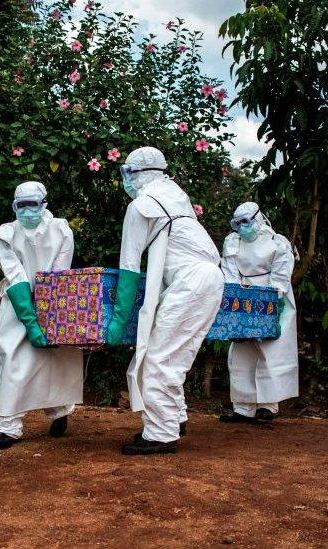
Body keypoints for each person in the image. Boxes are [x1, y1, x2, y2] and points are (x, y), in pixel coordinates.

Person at [106, 146, 224, 455]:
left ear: (136, 174)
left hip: (191, 283)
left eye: (125, 174)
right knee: (174, 355)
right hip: (210, 278)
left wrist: (117, 321)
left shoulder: (142, 205)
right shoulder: (175, 196)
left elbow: (129, 267)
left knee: (159, 358)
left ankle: (160, 435)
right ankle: (174, 419)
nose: (125, 181)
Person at [0, 181, 84, 450]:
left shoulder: (61, 230)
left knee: (54, 360)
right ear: (14, 206)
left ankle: (60, 411)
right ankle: (8, 427)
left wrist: (48, 314)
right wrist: (31, 321)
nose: (27, 211)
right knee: (13, 359)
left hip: (53, 299)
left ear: (44, 204)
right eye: (22, 206)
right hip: (15, 304)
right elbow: (16, 276)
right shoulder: (6, 234)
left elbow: (58, 273)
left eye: (33, 205)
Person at [219, 201, 298, 423]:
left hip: (272, 297)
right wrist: (236, 297)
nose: (242, 227)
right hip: (243, 297)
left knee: (270, 351)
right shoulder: (232, 241)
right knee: (242, 351)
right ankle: (243, 407)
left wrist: (272, 303)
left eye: (246, 222)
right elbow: (229, 271)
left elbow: (281, 276)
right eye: (238, 223)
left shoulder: (277, 243)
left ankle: (267, 405)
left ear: (258, 219)